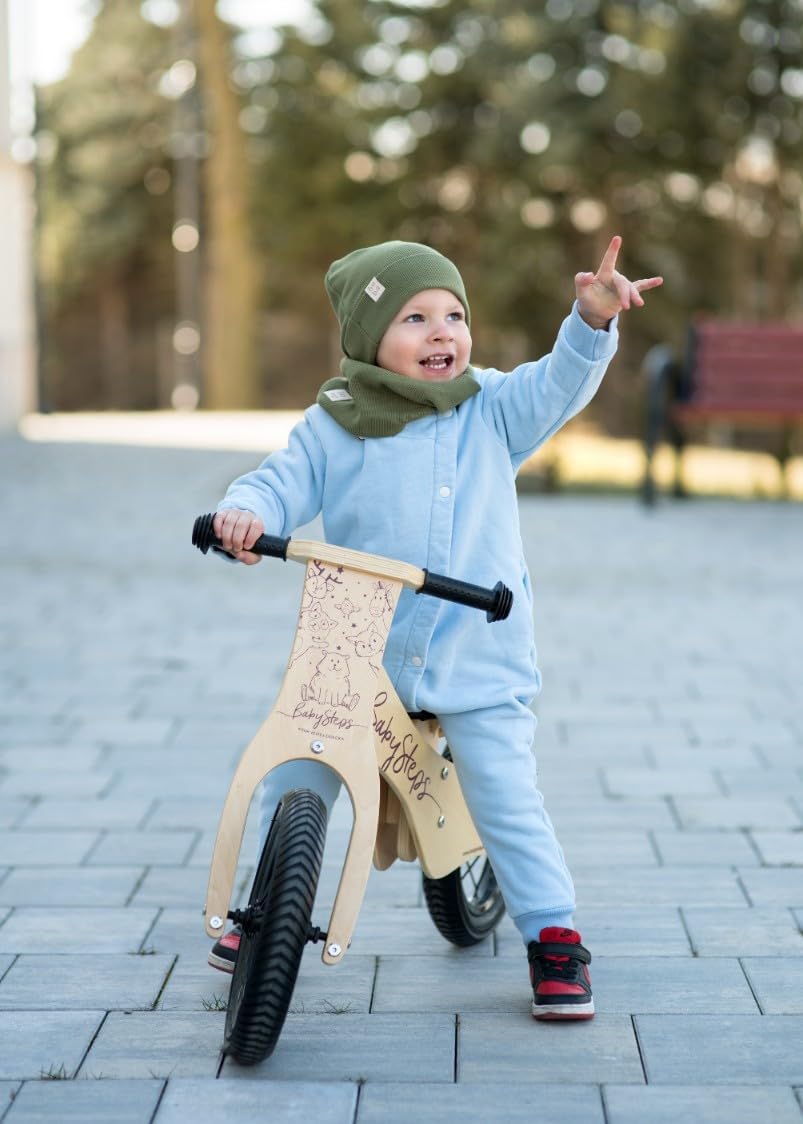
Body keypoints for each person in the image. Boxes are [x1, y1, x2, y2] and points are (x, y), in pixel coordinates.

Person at [206, 237, 662, 1020]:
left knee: (504, 791)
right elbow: (279, 481)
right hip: (356, 645)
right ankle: (264, 907)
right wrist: (247, 514)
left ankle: (552, 934)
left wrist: (589, 322)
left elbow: (555, 387)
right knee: (298, 767)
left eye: (453, 314)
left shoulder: (491, 407)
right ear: (367, 336)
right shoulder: (335, 423)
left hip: (473, 644)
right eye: (414, 317)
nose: (441, 331)